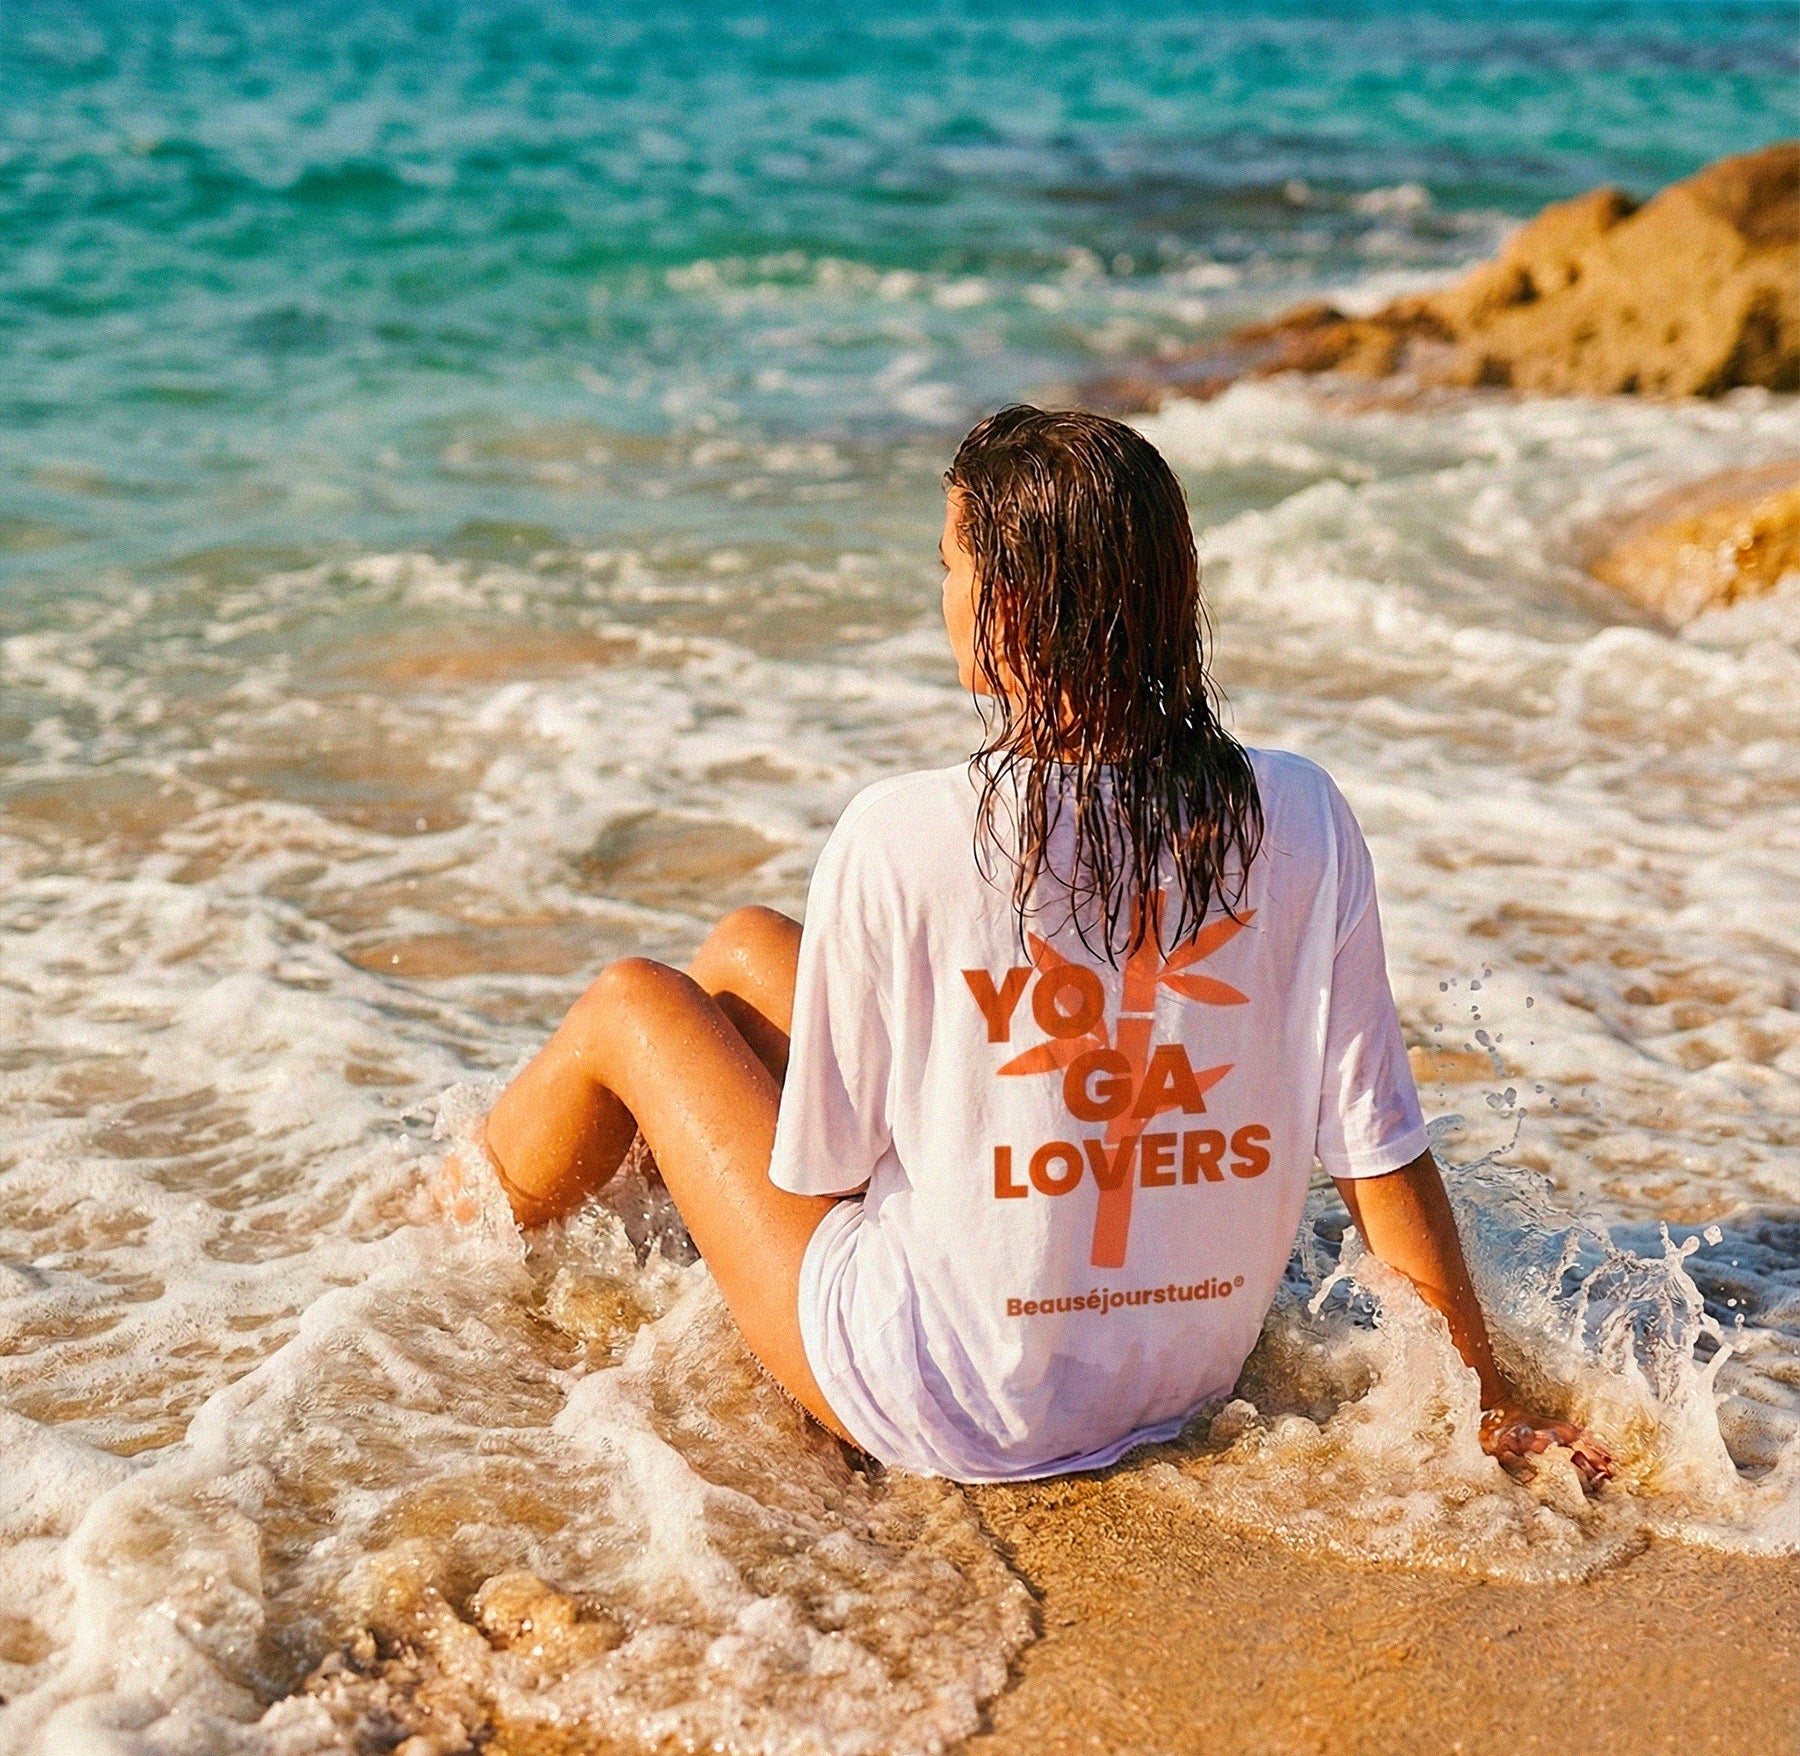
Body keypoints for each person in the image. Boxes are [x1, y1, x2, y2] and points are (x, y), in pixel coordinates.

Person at [444, 405, 1613, 1490]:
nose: (939, 599)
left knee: (636, 1002)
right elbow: (1380, 1151)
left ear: (1011, 604)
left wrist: (995, 1128)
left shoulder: (897, 831)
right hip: (1186, 1366)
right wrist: (1488, 1407)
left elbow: (831, 1169)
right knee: (748, 946)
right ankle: (586, 1217)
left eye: (947, 569)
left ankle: (419, 1248)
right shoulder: (1301, 812)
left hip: (949, 1398)